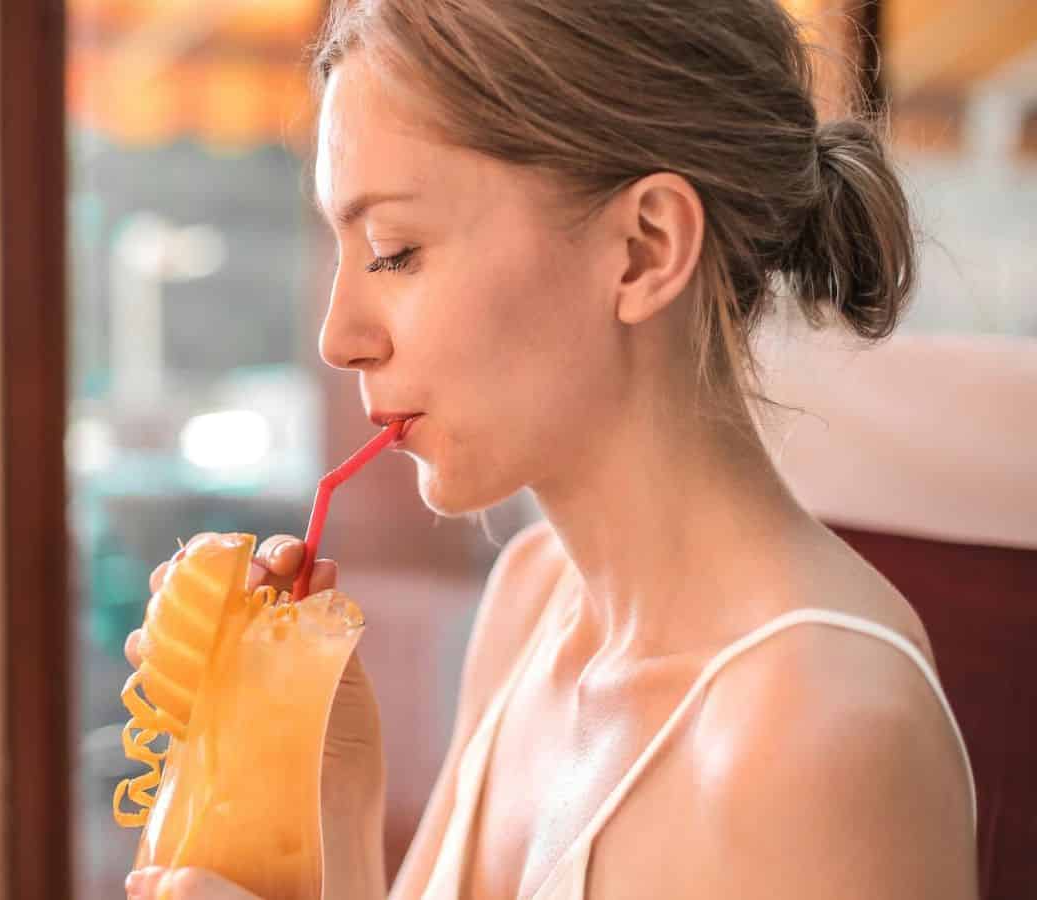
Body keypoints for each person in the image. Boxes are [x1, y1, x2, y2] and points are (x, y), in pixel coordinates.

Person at [120, 1, 979, 898]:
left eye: (395, 250)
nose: (339, 337)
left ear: (644, 249)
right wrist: (329, 782)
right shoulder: (531, 606)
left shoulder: (819, 734)